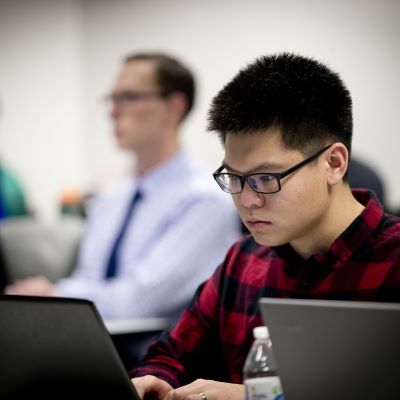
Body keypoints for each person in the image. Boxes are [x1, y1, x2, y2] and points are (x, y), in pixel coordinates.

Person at [128, 53, 400, 400]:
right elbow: (171, 352)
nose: (247, 200)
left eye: (265, 178)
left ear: (334, 163)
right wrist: (154, 378)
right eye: (234, 178)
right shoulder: (244, 260)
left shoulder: (392, 263)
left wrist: (252, 397)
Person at [5, 53, 241, 321]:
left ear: (173, 107)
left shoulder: (205, 199)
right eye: (112, 99)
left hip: (158, 356)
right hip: (90, 344)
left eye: (128, 98)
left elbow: (140, 302)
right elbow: (88, 280)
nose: (113, 111)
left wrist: (54, 294)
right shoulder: (112, 198)